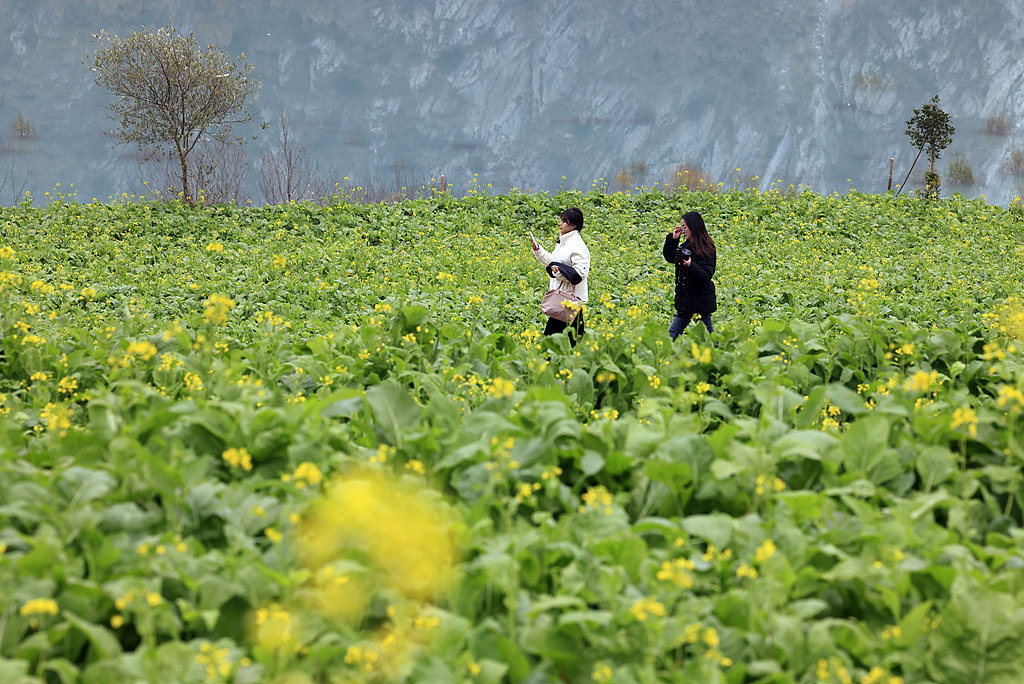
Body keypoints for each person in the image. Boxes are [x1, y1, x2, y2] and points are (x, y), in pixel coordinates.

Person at [531, 207, 590, 347]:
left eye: (565, 221)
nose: (561, 223)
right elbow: (554, 262)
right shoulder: (563, 243)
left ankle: (545, 364)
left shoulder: (578, 246)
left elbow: (579, 275)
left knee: (550, 338)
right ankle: (586, 361)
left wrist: (558, 272)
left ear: (574, 225)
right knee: (577, 339)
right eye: (561, 220)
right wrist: (538, 250)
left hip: (569, 299)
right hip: (563, 298)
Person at [663, 210, 717, 340]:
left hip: (700, 301)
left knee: (708, 337)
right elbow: (670, 257)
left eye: (685, 227)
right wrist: (673, 239)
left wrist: (690, 266)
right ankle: (664, 358)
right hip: (685, 302)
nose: (683, 230)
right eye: (681, 227)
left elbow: (706, 276)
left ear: (694, 227)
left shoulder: (706, 249)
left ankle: (720, 356)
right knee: (672, 335)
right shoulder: (686, 246)